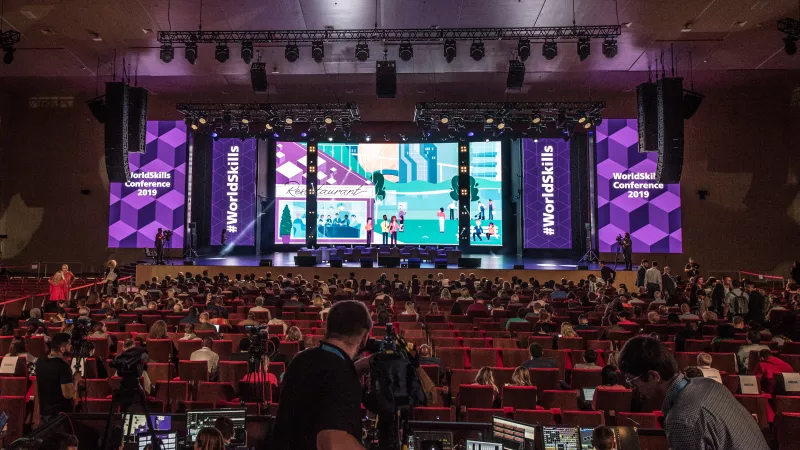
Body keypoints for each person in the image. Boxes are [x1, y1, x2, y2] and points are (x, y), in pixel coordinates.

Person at [618, 336, 770, 450]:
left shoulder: (681, 419)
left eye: (632, 381)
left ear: (654, 376)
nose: (632, 388)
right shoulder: (709, 384)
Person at [271, 300, 373, 450]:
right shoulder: (341, 374)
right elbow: (331, 443)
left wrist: (356, 369)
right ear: (365, 337)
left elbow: (321, 388)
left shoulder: (301, 359)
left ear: (328, 329)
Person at [35, 333, 78, 421]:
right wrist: (76, 381)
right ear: (62, 349)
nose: (71, 347)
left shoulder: (40, 360)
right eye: (69, 344)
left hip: (44, 411)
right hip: (59, 416)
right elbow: (68, 395)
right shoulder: (63, 367)